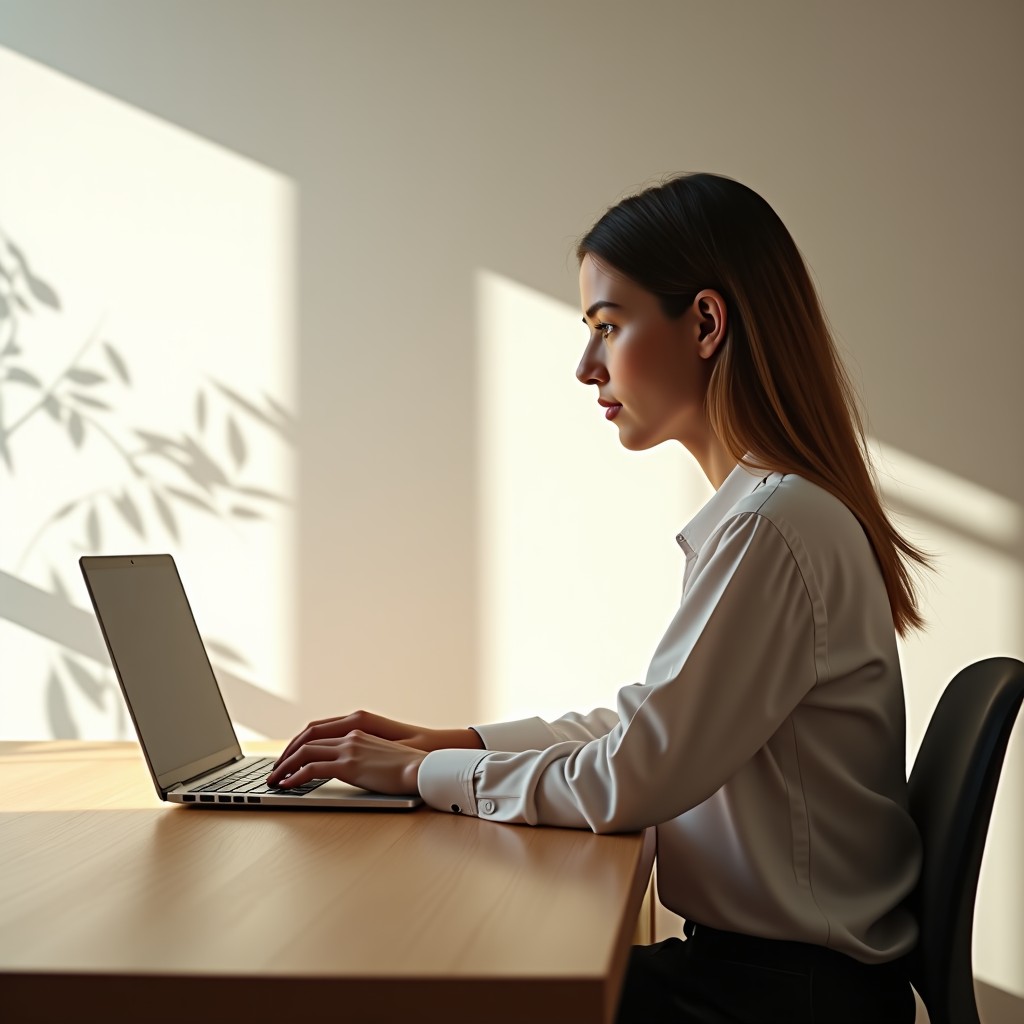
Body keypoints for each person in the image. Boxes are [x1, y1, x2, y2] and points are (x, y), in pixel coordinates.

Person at [267, 172, 928, 1023]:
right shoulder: (770, 515)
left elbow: (633, 776)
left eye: (607, 329)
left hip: (779, 999)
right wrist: (447, 741)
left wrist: (425, 773)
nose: (586, 368)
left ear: (705, 323)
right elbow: (643, 724)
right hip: (776, 980)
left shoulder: (776, 527)